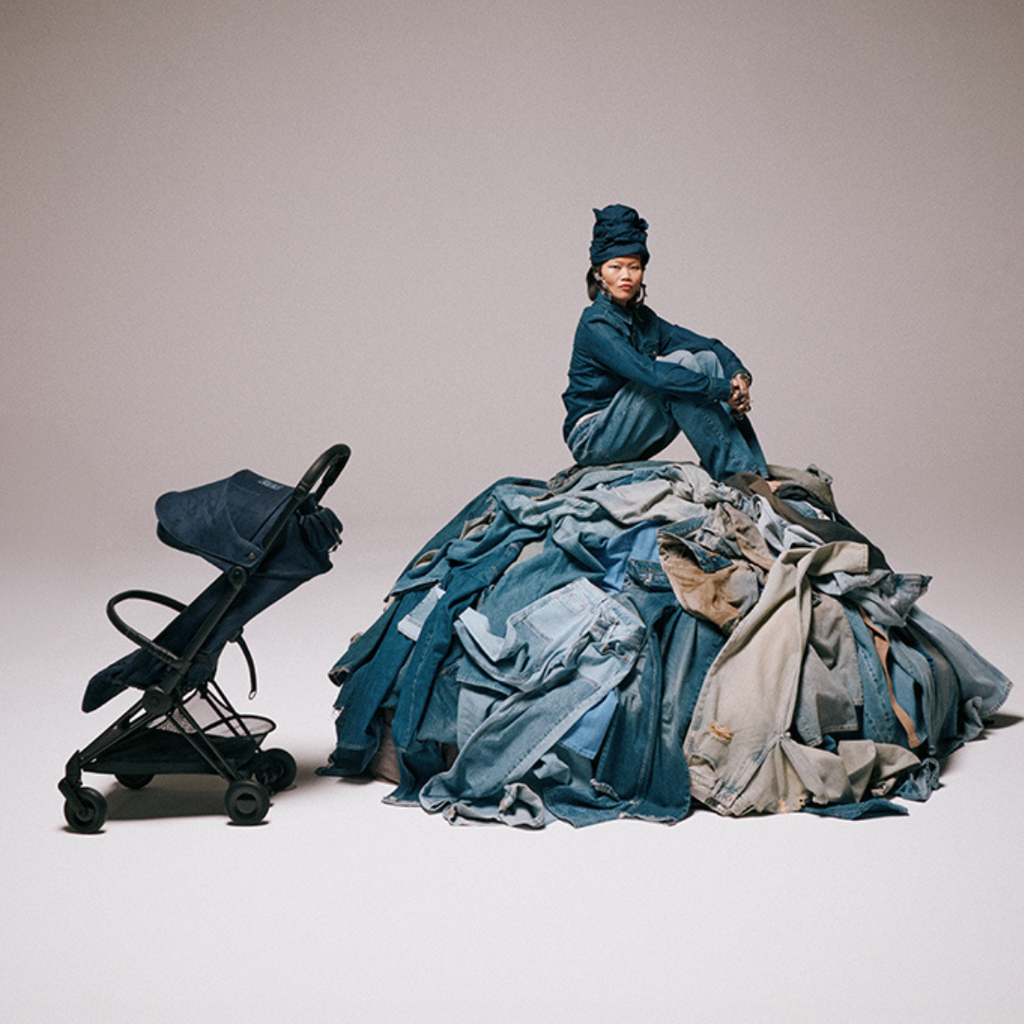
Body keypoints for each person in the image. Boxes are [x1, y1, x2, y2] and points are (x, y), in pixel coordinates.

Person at [561, 204, 769, 482]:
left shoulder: (644, 319)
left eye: (634, 267)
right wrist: (720, 390)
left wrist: (738, 376)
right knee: (679, 368)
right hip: (593, 437)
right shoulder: (595, 324)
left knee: (705, 359)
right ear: (598, 272)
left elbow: (708, 345)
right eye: (615, 267)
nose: (626, 276)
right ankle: (739, 475)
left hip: (628, 425)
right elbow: (650, 374)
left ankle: (755, 475)